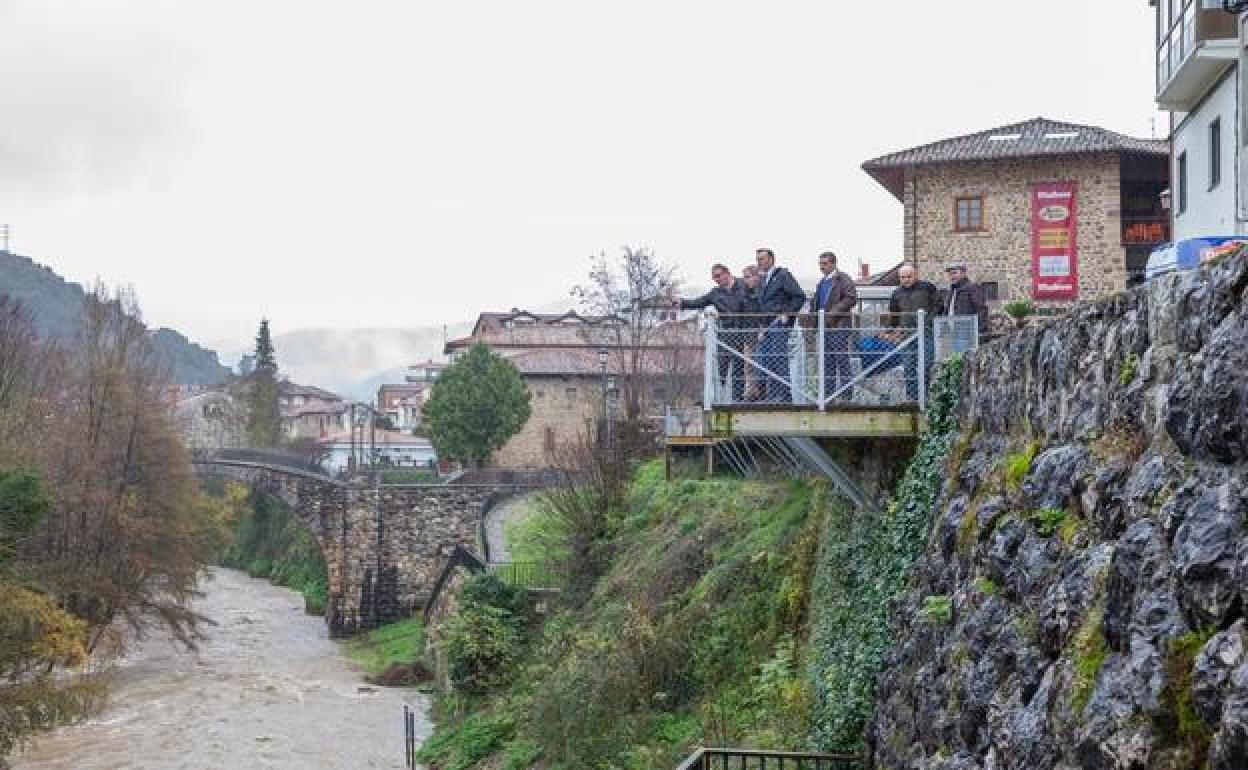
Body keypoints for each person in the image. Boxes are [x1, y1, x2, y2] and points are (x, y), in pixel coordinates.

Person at [673, 263, 749, 401]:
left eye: (718, 276)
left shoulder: (743, 284)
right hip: (725, 335)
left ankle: (738, 400)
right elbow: (699, 301)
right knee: (721, 366)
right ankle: (716, 397)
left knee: (739, 368)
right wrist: (682, 303)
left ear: (727, 273)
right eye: (714, 278)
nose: (716, 279)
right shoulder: (715, 293)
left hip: (744, 333)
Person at [754, 247, 806, 403]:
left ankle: (785, 396)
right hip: (767, 326)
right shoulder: (763, 279)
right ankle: (773, 395)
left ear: (771, 259)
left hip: (779, 324)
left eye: (761, 259)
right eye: (757, 260)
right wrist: (762, 325)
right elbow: (763, 304)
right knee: (766, 360)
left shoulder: (783, 275)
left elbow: (799, 296)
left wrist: (787, 313)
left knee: (779, 358)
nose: (759, 262)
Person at [887, 263, 941, 401]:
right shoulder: (896, 293)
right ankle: (912, 397)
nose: (906, 280)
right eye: (903, 277)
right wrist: (890, 330)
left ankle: (927, 395)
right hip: (907, 334)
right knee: (908, 365)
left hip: (926, 333)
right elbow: (893, 313)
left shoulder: (927, 287)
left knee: (927, 365)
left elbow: (939, 305)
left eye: (909, 276)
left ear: (915, 275)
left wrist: (928, 321)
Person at [808, 251, 858, 401]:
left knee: (842, 360)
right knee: (827, 362)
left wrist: (832, 313)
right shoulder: (822, 282)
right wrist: (814, 323)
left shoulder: (843, 278)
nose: (821, 267)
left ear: (833, 263)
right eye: (820, 264)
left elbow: (851, 298)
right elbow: (816, 305)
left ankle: (846, 395)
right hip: (824, 328)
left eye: (825, 263)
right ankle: (828, 396)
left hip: (839, 326)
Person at [941, 263, 990, 340]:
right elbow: (947, 311)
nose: (952, 277)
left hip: (967, 333)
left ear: (963, 273)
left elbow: (981, 310)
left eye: (954, 273)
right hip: (951, 334)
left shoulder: (972, 288)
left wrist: (980, 331)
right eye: (950, 274)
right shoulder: (951, 291)